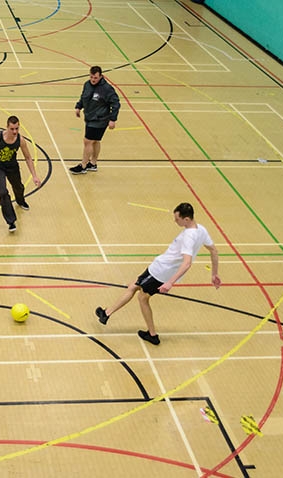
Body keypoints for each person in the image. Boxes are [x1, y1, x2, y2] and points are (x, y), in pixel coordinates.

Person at [95, 203, 221, 345]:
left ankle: (152, 334)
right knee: (134, 285)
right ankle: (106, 314)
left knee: (142, 297)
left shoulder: (189, 236)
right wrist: (214, 274)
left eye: (177, 219)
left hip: (161, 271)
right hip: (160, 268)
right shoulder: (201, 230)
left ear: (186, 219)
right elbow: (214, 251)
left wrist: (170, 282)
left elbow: (187, 263)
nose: (175, 221)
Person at [0, 115, 41, 232]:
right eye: (12, 129)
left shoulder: (20, 140)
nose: (14, 131)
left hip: (12, 166)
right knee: (2, 191)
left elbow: (28, 157)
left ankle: (20, 200)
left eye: (17, 128)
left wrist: (34, 175)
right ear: (7, 127)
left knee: (18, 187)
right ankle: (11, 221)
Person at [69, 66, 120, 174]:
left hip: (100, 119)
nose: (93, 80)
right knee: (95, 141)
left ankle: (83, 166)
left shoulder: (107, 89)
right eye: (91, 77)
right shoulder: (87, 84)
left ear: (101, 76)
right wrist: (78, 107)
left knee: (87, 141)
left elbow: (116, 103)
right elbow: (84, 97)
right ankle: (93, 163)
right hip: (89, 117)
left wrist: (112, 119)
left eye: (95, 78)